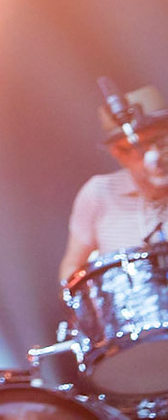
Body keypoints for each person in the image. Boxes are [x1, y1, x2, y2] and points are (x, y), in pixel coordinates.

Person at [58, 85, 168, 289]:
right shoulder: (99, 194)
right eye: (141, 147)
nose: (154, 155)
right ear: (119, 153)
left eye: (161, 141)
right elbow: (72, 268)